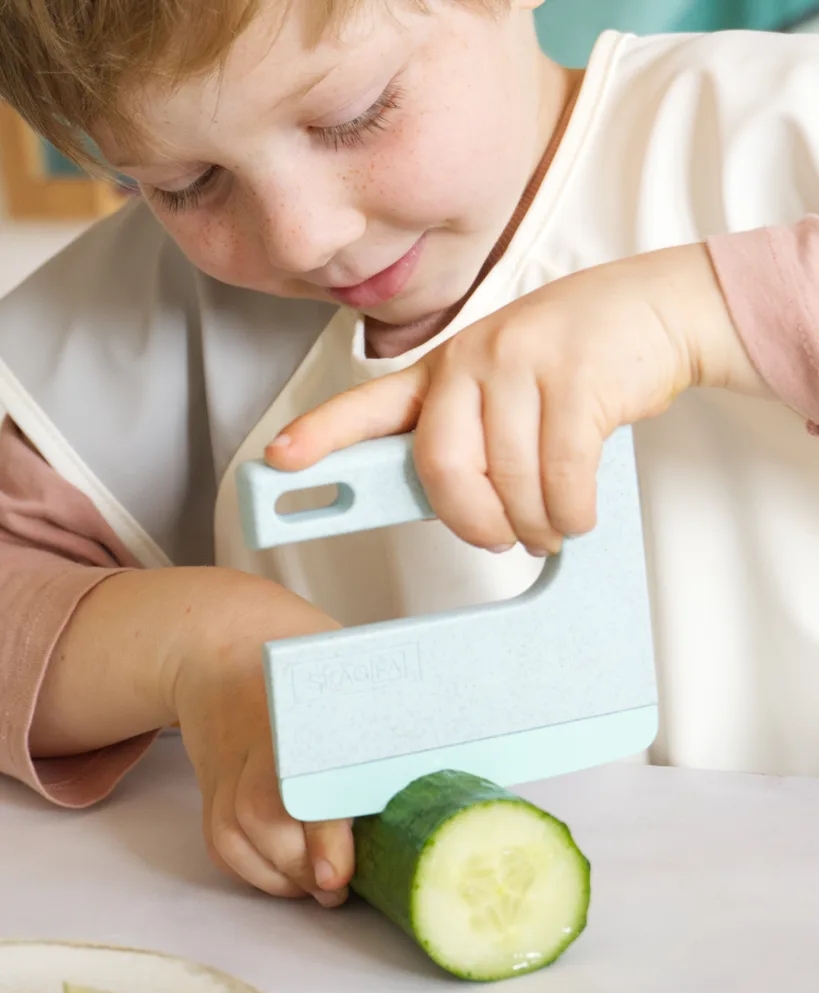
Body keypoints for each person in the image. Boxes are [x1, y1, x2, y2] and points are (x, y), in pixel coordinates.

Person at [1, 0, 818, 908]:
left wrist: (697, 311)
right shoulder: (152, 307)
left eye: (354, 115)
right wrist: (193, 648)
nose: (303, 236)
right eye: (186, 184)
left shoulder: (774, 130)